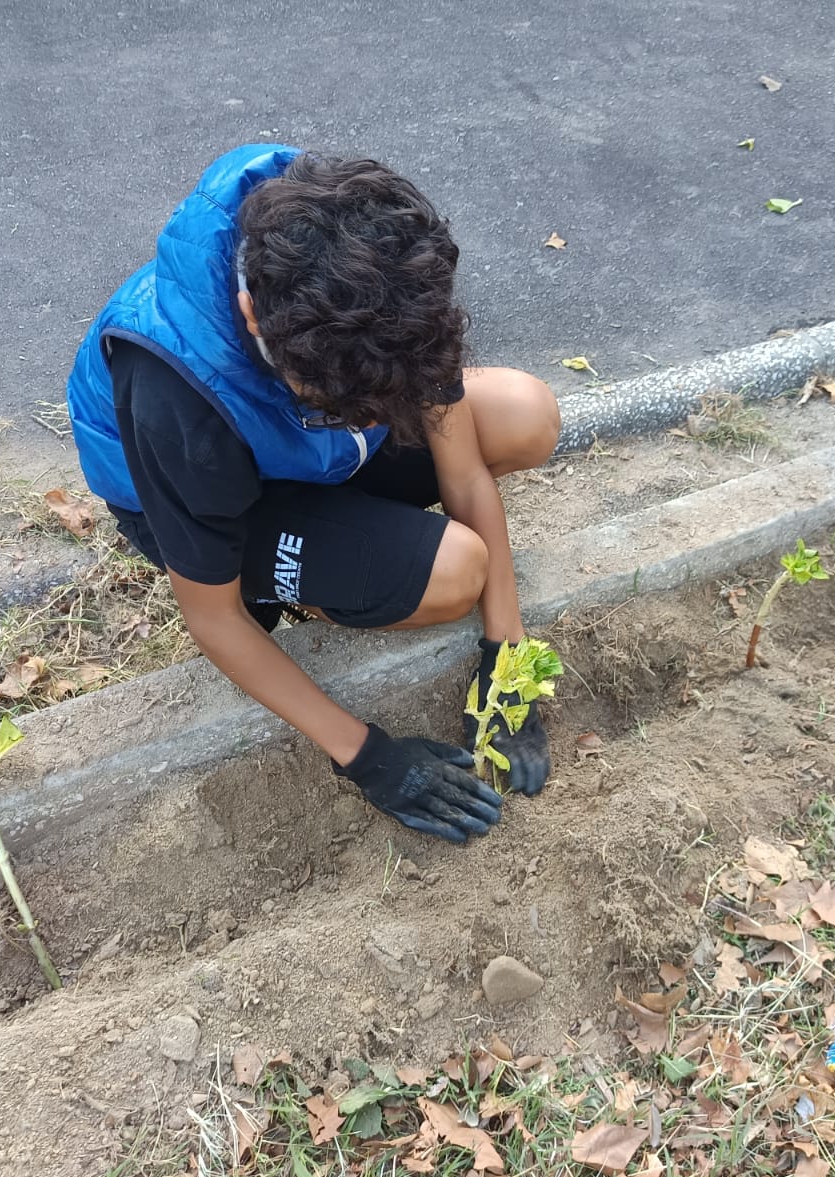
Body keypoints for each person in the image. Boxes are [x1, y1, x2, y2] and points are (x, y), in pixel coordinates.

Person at [65, 144, 560, 844]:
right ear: (253, 315)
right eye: (341, 400)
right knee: (455, 573)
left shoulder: (381, 270)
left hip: (313, 451)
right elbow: (213, 619)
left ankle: (352, 534)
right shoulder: (175, 399)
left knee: (526, 413)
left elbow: (465, 467)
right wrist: (368, 758)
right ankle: (310, 585)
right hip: (234, 491)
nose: (371, 415)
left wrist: (506, 659)